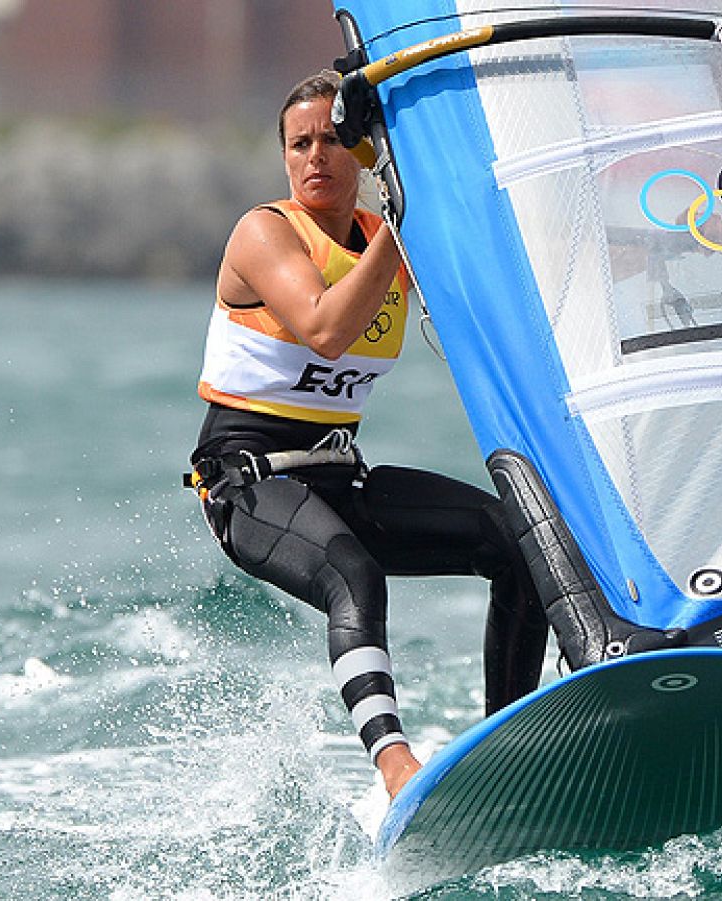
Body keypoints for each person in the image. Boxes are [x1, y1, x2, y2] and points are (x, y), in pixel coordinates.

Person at [188, 72, 549, 800]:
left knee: (518, 541)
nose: (314, 156)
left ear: (363, 150)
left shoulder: (385, 242)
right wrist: (398, 227)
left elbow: (498, 286)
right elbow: (325, 328)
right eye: (298, 143)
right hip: (246, 485)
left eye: (331, 139)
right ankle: (395, 766)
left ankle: (506, 753)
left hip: (338, 477)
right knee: (354, 573)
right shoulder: (266, 232)